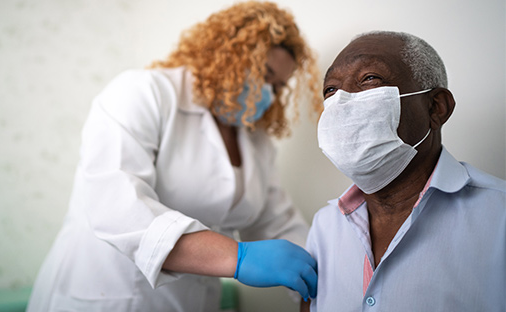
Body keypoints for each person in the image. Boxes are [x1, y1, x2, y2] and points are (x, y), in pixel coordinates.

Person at [27, 2, 323, 311]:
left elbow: (275, 221)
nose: (269, 94)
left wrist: (319, 281)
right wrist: (238, 257)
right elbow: (116, 208)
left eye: (277, 87)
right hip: (106, 295)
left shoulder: (255, 140)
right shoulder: (143, 93)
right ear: (228, 54)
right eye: (264, 74)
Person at [302, 31, 506, 311]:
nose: (341, 101)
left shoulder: (500, 217)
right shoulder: (325, 227)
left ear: (436, 107)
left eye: (370, 78)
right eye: (331, 90)